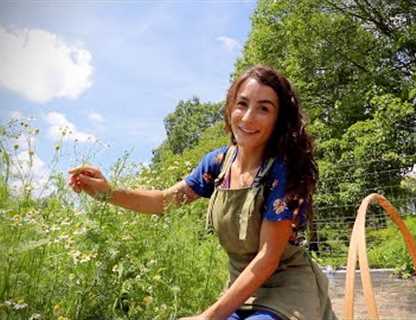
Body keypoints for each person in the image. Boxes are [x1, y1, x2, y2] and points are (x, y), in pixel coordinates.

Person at [68, 65, 336, 320]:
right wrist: (107, 192)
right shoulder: (218, 164)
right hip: (239, 290)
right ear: (231, 106)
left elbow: (267, 259)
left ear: (278, 120)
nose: (247, 117)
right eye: (242, 104)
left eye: (264, 108)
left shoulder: (282, 170)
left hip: (287, 289)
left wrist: (209, 316)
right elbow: (164, 201)